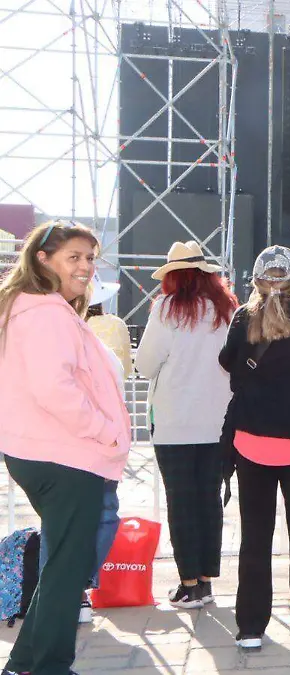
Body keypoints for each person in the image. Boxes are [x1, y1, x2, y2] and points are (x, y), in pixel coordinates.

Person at [0, 221, 132, 675]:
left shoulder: (34, 307)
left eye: (90, 257)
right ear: (43, 259)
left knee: (62, 565)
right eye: (73, 257)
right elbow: (53, 388)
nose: (85, 266)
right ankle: (50, 666)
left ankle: (24, 663)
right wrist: (102, 430)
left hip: (51, 451)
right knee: (67, 569)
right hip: (65, 454)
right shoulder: (44, 313)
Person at [219, 245, 290, 651]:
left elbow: (228, 362)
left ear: (256, 282)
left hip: (253, 442)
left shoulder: (242, 318)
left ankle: (251, 628)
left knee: (255, 538)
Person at [135, 240, 237, 608]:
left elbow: (145, 364)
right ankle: (206, 582)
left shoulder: (166, 308)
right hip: (219, 422)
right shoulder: (227, 309)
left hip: (174, 422)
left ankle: (188, 583)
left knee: (181, 502)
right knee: (210, 500)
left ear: (173, 277)